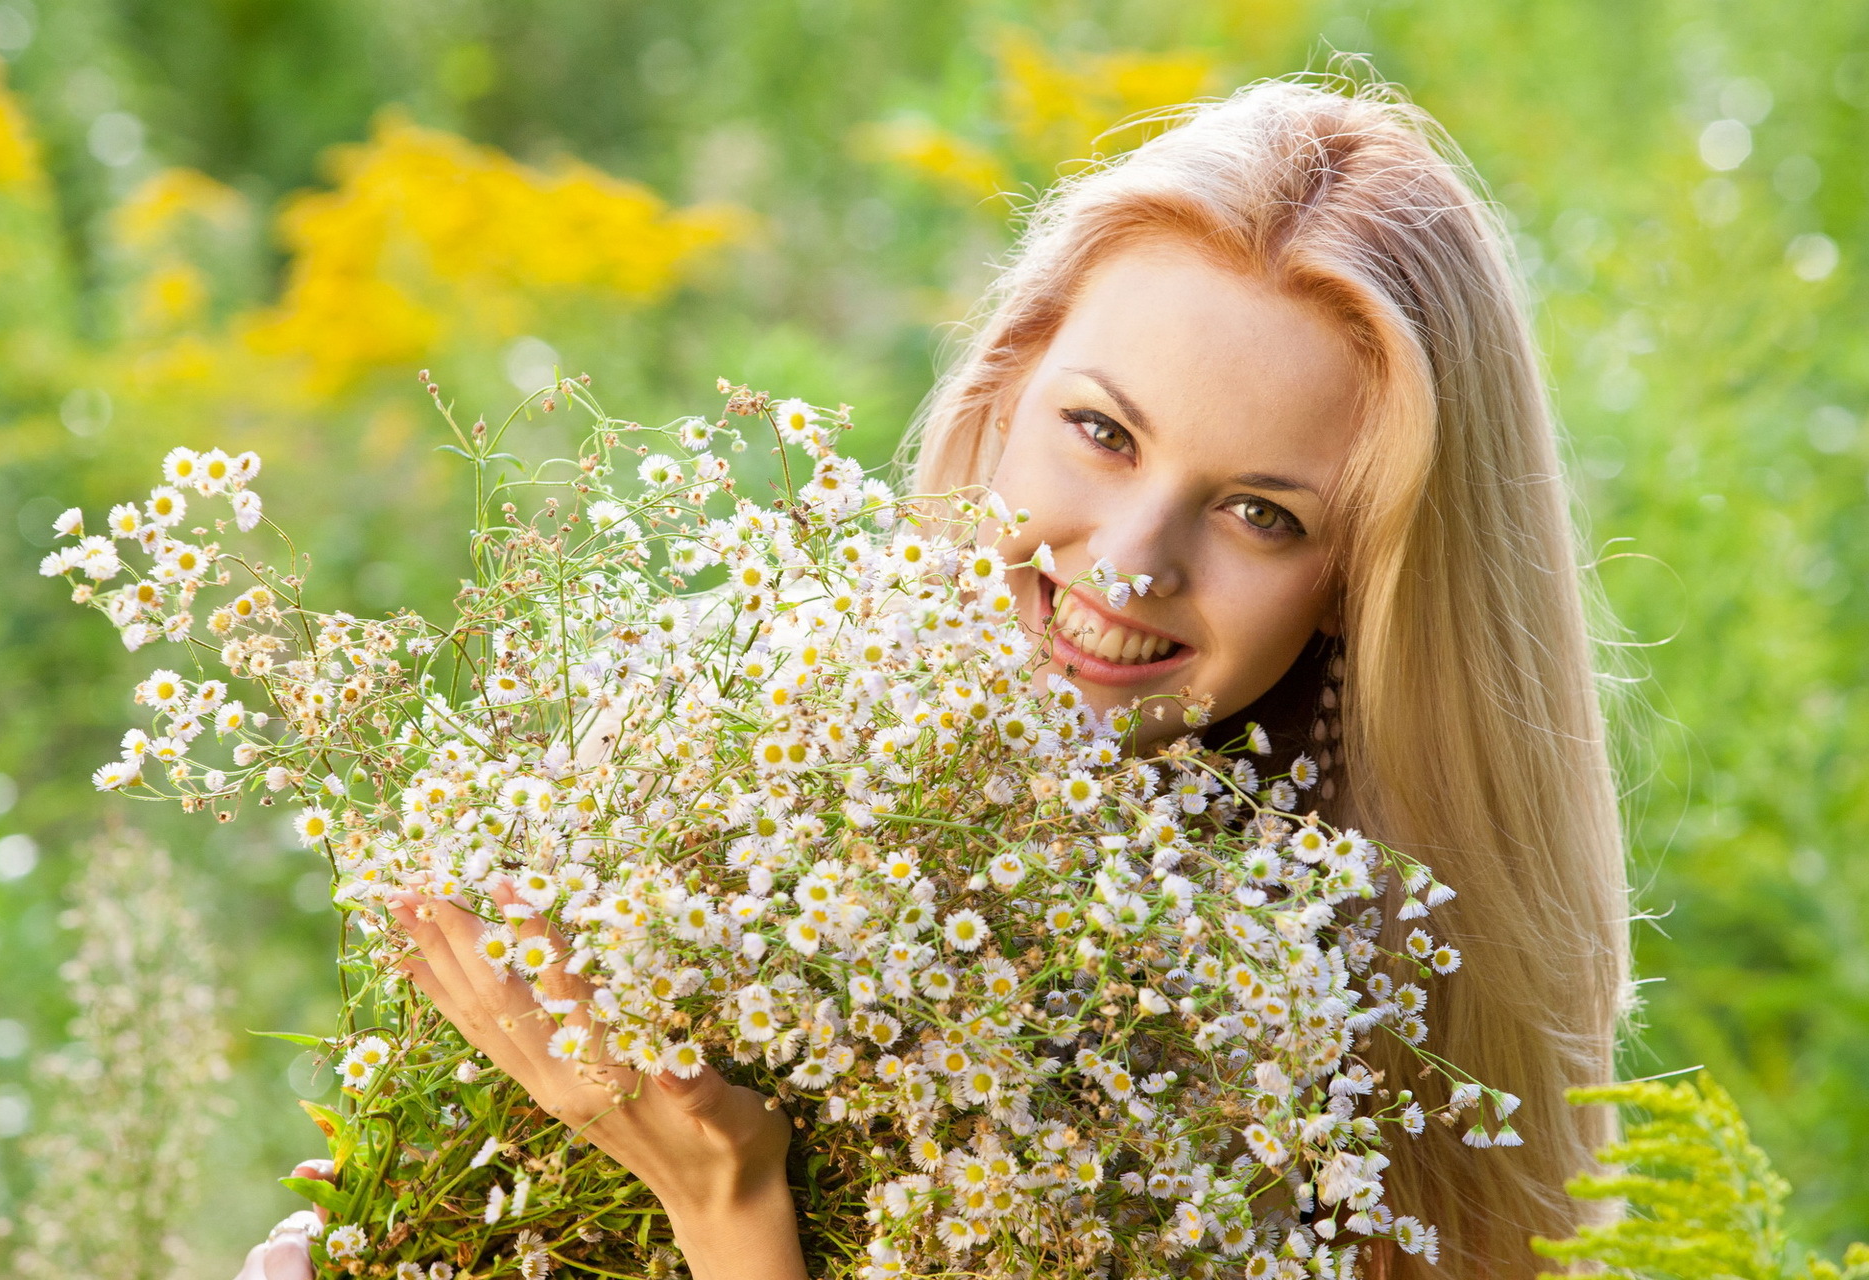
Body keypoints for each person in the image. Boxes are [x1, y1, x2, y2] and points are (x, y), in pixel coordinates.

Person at [236, 75, 1630, 1280]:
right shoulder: (716, 794)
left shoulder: (1320, 1079)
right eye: (1101, 431)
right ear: (1003, 388)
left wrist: (727, 1208)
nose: (1134, 563)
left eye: (1264, 513)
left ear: (1361, 589)